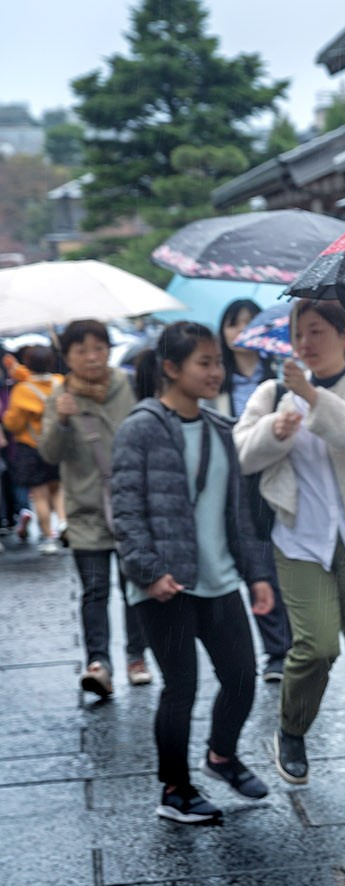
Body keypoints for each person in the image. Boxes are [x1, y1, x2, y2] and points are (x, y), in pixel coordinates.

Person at [234, 299, 345, 787]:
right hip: (300, 539)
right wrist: (274, 431)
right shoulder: (271, 395)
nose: (305, 343)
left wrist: (311, 397)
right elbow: (244, 454)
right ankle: (292, 731)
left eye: (316, 332)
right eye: (298, 334)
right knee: (317, 646)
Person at [110, 322, 275, 823]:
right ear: (171, 368)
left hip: (220, 578)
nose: (215, 372)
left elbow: (240, 516)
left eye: (217, 362)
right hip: (167, 585)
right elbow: (125, 509)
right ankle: (175, 790)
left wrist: (257, 575)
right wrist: (149, 571)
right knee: (180, 687)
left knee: (243, 678)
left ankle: (221, 755)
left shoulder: (221, 428)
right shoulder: (139, 428)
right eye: (203, 362)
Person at [38, 319, 152, 697]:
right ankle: (98, 663)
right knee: (95, 589)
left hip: (130, 503)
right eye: (81, 350)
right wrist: (63, 422)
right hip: (86, 510)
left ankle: (137, 657)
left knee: (135, 587)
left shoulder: (127, 386)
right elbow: (49, 454)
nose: (91, 357)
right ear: (66, 356)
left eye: (98, 348)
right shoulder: (60, 398)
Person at [212, 298, 291, 684]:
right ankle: (276, 650)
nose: (240, 331)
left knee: (288, 557)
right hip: (233, 480)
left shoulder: (279, 378)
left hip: (276, 474)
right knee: (257, 562)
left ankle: (294, 642)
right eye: (233, 324)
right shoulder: (215, 381)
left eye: (249, 322)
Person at [3, 346, 66, 551]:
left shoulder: (23, 390)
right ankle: (64, 523)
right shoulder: (60, 382)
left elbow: (13, 424)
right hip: (58, 444)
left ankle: (50, 536)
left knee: (39, 495)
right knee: (58, 490)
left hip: (32, 448)